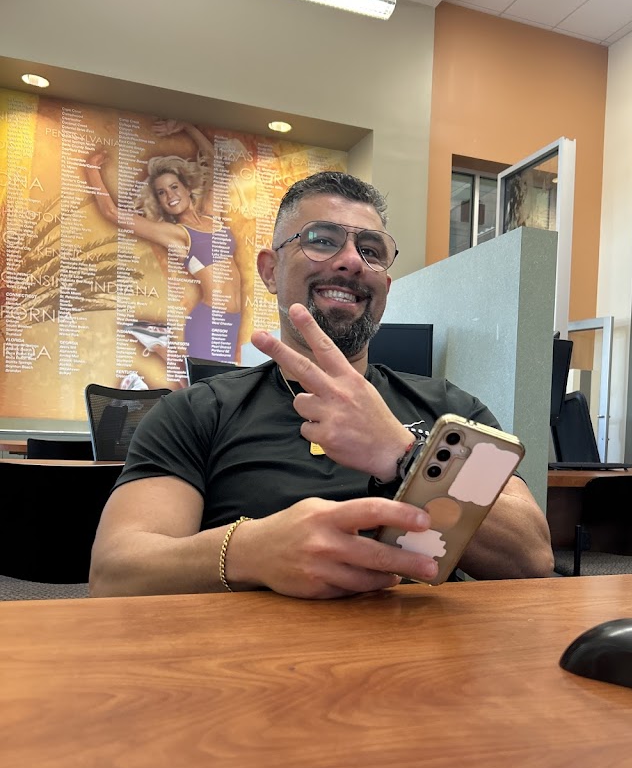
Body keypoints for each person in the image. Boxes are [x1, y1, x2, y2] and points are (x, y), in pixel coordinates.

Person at [89, 171, 554, 598]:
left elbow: (531, 558)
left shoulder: (452, 410)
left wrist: (406, 455)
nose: (351, 261)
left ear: (386, 286)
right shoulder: (194, 412)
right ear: (270, 271)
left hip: (426, 653)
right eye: (322, 240)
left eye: (371, 250)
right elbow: (115, 572)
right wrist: (251, 551)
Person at [85, 119, 242, 369]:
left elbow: (218, 168)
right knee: (207, 387)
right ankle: (159, 344)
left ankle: (158, 342)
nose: (170, 195)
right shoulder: (176, 234)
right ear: (159, 201)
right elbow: (112, 213)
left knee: (212, 383)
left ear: (187, 188)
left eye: (174, 187)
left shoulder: (213, 217)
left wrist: (188, 127)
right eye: (161, 192)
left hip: (232, 319)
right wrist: (92, 170)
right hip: (210, 320)